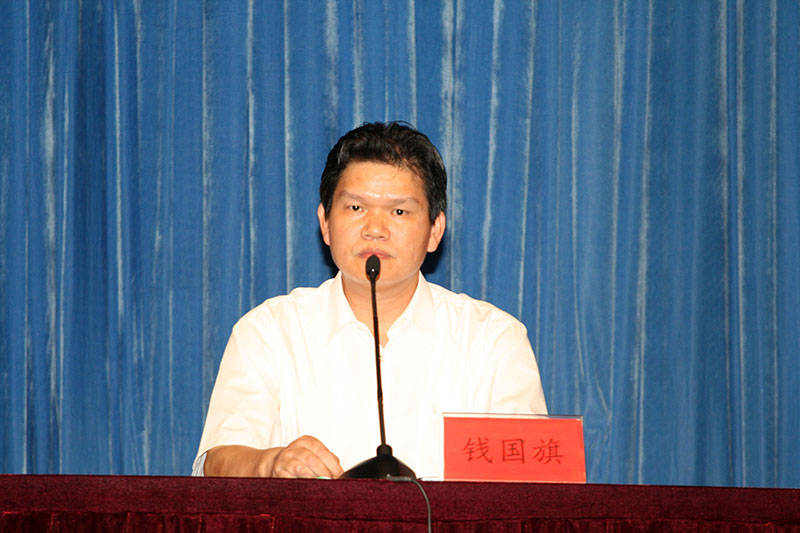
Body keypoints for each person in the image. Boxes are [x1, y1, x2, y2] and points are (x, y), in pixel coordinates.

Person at [193, 122, 547, 479]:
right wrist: (268, 464)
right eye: (355, 207)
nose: (374, 229)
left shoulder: (493, 341)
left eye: (399, 212)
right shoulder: (270, 332)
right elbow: (217, 461)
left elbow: (531, 484)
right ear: (325, 222)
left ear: (434, 231)